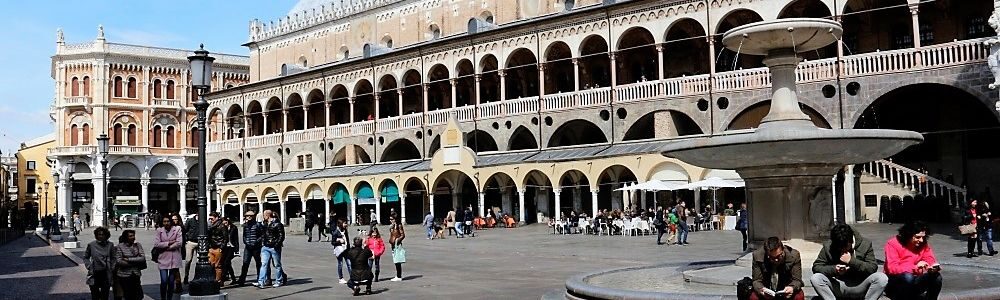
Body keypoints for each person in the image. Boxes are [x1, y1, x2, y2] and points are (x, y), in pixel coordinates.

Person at [810, 224, 887, 300]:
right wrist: (834, 269)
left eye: (845, 247)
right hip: (839, 285)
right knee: (816, 278)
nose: (842, 250)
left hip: (860, 284)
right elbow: (817, 267)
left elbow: (872, 268)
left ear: (851, 241)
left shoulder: (865, 244)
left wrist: (852, 261)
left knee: (881, 278)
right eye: (839, 248)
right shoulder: (828, 246)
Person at [883, 221, 942, 300]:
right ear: (908, 236)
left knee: (937, 277)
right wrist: (915, 267)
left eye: (923, 237)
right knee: (908, 277)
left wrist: (932, 266)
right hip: (895, 283)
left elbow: (929, 257)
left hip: (915, 280)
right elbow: (892, 268)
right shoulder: (892, 244)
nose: (921, 240)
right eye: (917, 237)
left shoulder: (922, 244)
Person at [155, 215, 183, 300]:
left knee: (171, 282)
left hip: (174, 258)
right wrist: (169, 243)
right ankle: (163, 298)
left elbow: (179, 243)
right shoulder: (159, 230)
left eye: (168, 221)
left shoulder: (177, 229)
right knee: (164, 281)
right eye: (164, 221)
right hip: (162, 258)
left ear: (171, 222)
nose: (166, 223)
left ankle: (169, 298)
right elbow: (157, 244)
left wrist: (166, 247)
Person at [255, 210, 285, 288]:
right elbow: (264, 235)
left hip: (274, 248)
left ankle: (278, 280)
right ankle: (261, 281)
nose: (263, 217)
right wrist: (259, 241)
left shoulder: (278, 224)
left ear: (267, 216)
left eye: (264, 215)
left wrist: (276, 244)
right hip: (265, 247)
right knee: (264, 264)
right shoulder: (265, 224)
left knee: (277, 264)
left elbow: (281, 236)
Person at [84, 227, 115, 300]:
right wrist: (89, 266)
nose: (101, 236)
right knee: (95, 295)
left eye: (103, 234)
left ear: (106, 235)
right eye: (99, 234)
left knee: (105, 294)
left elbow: (114, 257)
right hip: (94, 272)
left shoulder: (110, 245)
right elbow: (86, 257)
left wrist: (112, 266)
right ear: (96, 235)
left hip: (106, 273)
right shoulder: (91, 245)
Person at [113, 230, 144, 300]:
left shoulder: (137, 245)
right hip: (124, 274)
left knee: (137, 295)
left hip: (135, 273)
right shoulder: (120, 246)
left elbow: (142, 258)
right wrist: (135, 262)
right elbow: (119, 261)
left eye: (133, 236)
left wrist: (129, 260)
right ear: (126, 237)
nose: (133, 237)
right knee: (128, 294)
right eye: (130, 236)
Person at [237, 211, 263, 286]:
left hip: (256, 247)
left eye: (250, 216)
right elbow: (244, 236)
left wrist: (256, 242)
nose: (248, 217)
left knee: (258, 263)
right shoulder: (245, 225)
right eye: (247, 216)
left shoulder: (258, 225)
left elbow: (262, 235)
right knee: (245, 263)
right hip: (248, 247)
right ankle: (242, 280)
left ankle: (260, 278)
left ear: (253, 217)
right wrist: (246, 242)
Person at [207, 212, 228, 284]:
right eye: (209, 219)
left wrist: (222, 247)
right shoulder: (211, 226)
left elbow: (225, 238)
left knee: (217, 265)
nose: (210, 220)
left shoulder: (222, 226)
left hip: (218, 247)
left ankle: (218, 281)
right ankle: (213, 279)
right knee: (210, 264)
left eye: (212, 219)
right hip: (211, 247)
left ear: (216, 218)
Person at [332, 219, 351, 284]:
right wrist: (339, 241)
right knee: (340, 264)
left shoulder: (345, 230)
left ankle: (352, 277)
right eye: (344, 223)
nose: (346, 224)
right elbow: (333, 242)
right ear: (340, 224)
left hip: (346, 250)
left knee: (349, 263)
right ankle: (341, 278)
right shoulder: (335, 232)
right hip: (339, 250)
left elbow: (347, 240)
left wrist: (349, 248)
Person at [222, 217, 240, 285]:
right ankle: (233, 278)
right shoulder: (223, 228)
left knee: (226, 262)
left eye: (226, 221)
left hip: (232, 247)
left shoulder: (234, 227)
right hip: (225, 247)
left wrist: (237, 249)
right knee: (227, 263)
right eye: (223, 222)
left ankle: (223, 278)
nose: (225, 223)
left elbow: (236, 239)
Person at [182, 214, 199, 284]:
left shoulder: (203, 221)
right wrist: (186, 239)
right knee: (188, 260)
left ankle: (198, 276)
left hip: (200, 242)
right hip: (191, 242)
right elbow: (184, 230)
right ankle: (186, 276)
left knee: (200, 261)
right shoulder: (190, 221)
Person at [388, 216, 405, 282]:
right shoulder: (392, 226)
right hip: (393, 244)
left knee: (397, 260)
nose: (391, 220)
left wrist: (397, 241)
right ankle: (398, 275)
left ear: (395, 219)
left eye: (392, 219)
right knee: (395, 260)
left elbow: (403, 235)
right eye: (390, 219)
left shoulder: (399, 226)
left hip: (397, 244)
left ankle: (399, 276)